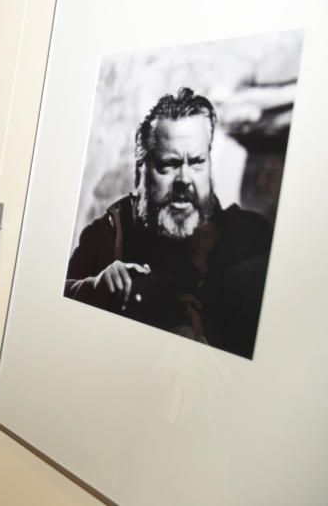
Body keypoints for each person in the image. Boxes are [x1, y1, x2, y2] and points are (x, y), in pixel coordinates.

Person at [65, 87, 273, 359]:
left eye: (197, 162)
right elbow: (53, 303)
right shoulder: (107, 235)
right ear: (141, 171)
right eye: (169, 164)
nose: (184, 179)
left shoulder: (252, 239)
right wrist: (96, 288)